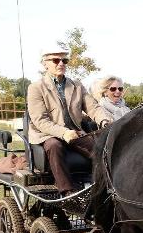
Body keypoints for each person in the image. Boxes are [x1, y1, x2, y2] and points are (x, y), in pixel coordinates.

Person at [26, 47, 112, 196]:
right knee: (54, 145)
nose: (61, 63)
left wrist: (105, 120)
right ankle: (67, 192)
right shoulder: (36, 88)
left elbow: (93, 107)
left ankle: (106, 187)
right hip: (47, 134)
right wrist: (63, 132)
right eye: (56, 60)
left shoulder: (77, 85)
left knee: (102, 149)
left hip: (75, 133)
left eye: (64, 60)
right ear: (45, 64)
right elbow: (40, 120)